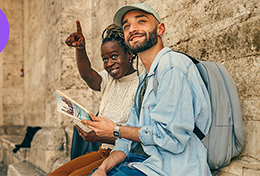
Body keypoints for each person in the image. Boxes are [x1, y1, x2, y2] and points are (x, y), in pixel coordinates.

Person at [81, 3, 212, 176]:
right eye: (126, 26)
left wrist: (115, 129)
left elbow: (171, 138)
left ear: (160, 29)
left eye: (141, 21)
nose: (132, 29)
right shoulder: (145, 79)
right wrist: (103, 168)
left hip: (171, 169)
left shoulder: (172, 66)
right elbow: (126, 140)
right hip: (141, 163)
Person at [48, 22, 139, 176]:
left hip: (123, 155)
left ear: (129, 54)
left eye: (114, 56)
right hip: (103, 151)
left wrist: (100, 137)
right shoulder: (109, 80)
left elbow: (137, 138)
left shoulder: (141, 84)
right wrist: (80, 48)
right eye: (105, 59)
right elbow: (88, 75)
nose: (109, 63)